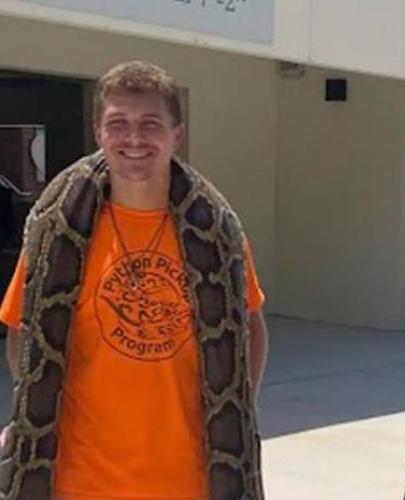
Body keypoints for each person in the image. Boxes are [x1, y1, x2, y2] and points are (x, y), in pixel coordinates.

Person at [0, 61, 268, 499]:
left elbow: (251, 330)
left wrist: (236, 419)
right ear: (98, 132)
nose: (135, 138)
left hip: (189, 483)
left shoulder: (219, 233)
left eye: (150, 124)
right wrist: (33, 411)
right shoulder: (54, 230)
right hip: (76, 483)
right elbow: (22, 332)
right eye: (118, 123)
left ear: (177, 135)